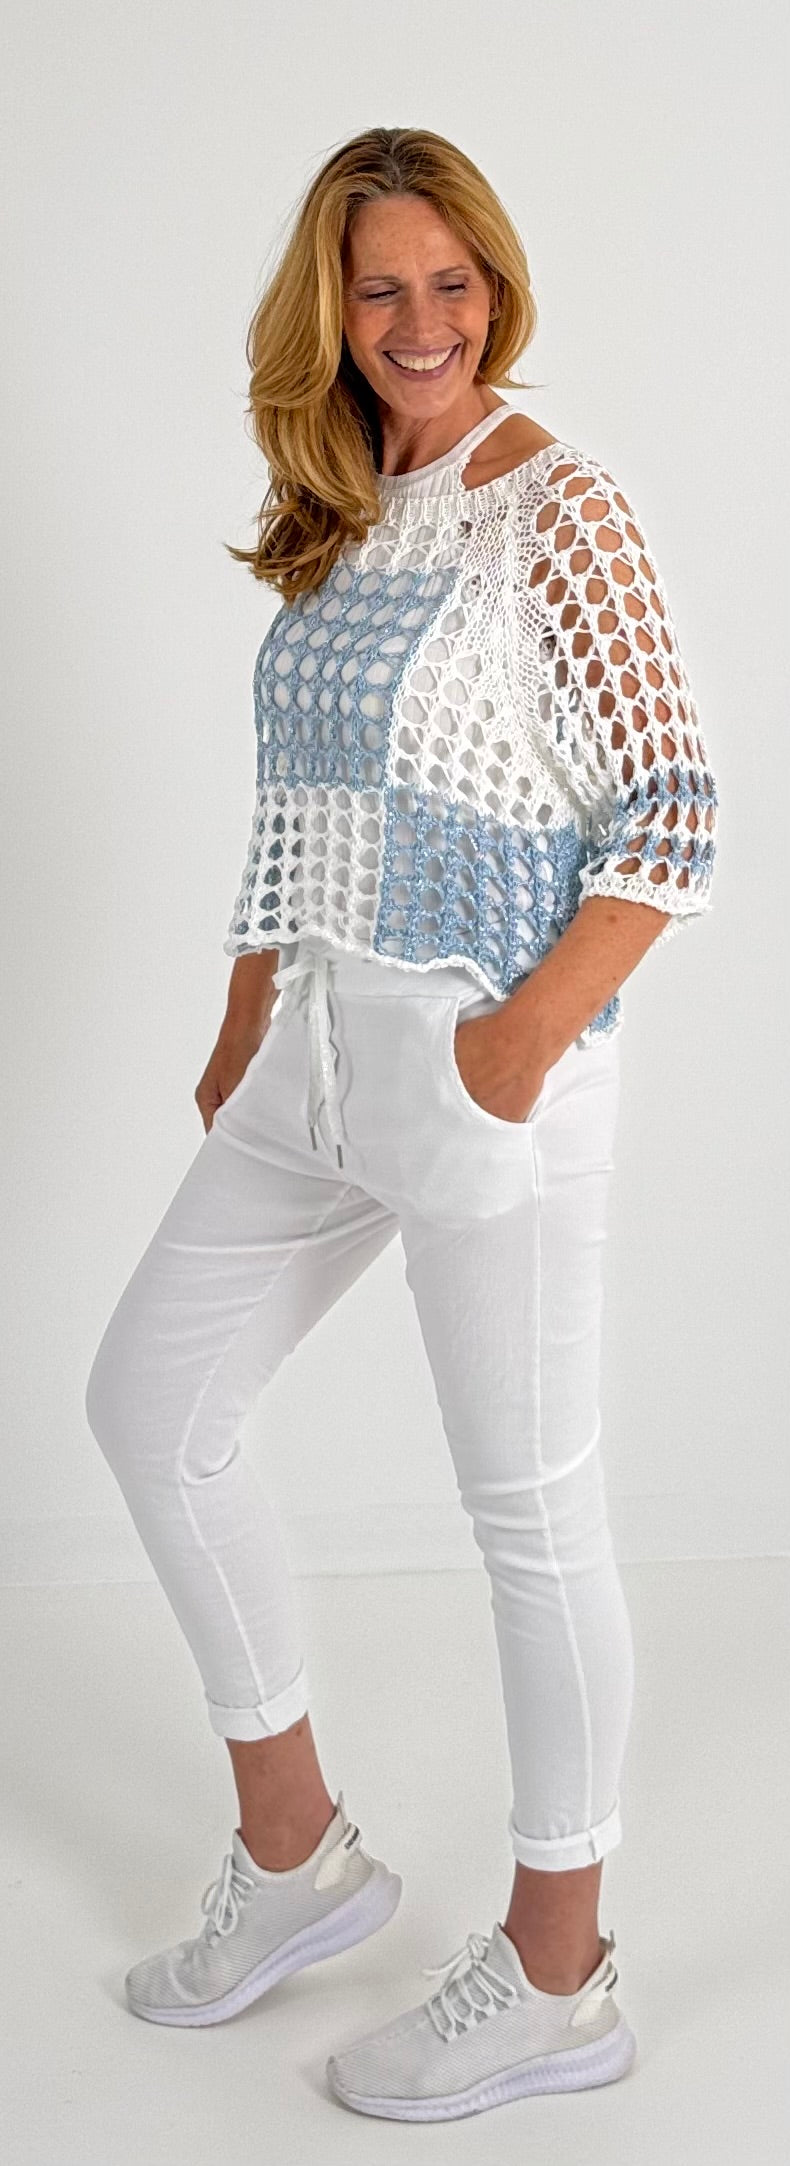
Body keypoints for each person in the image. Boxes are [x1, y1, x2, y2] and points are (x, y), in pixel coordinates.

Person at [84, 124, 718, 2121]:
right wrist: (244, 1008)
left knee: (527, 1514)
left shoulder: (558, 506)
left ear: (494, 288)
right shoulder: (348, 506)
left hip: (475, 1061)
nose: (421, 319)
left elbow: (675, 806)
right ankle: (296, 1855)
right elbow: (300, 796)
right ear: (331, 311)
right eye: (381, 288)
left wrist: (514, 1045)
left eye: (451, 282)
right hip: (313, 1061)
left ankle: (558, 1976)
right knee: (148, 1405)